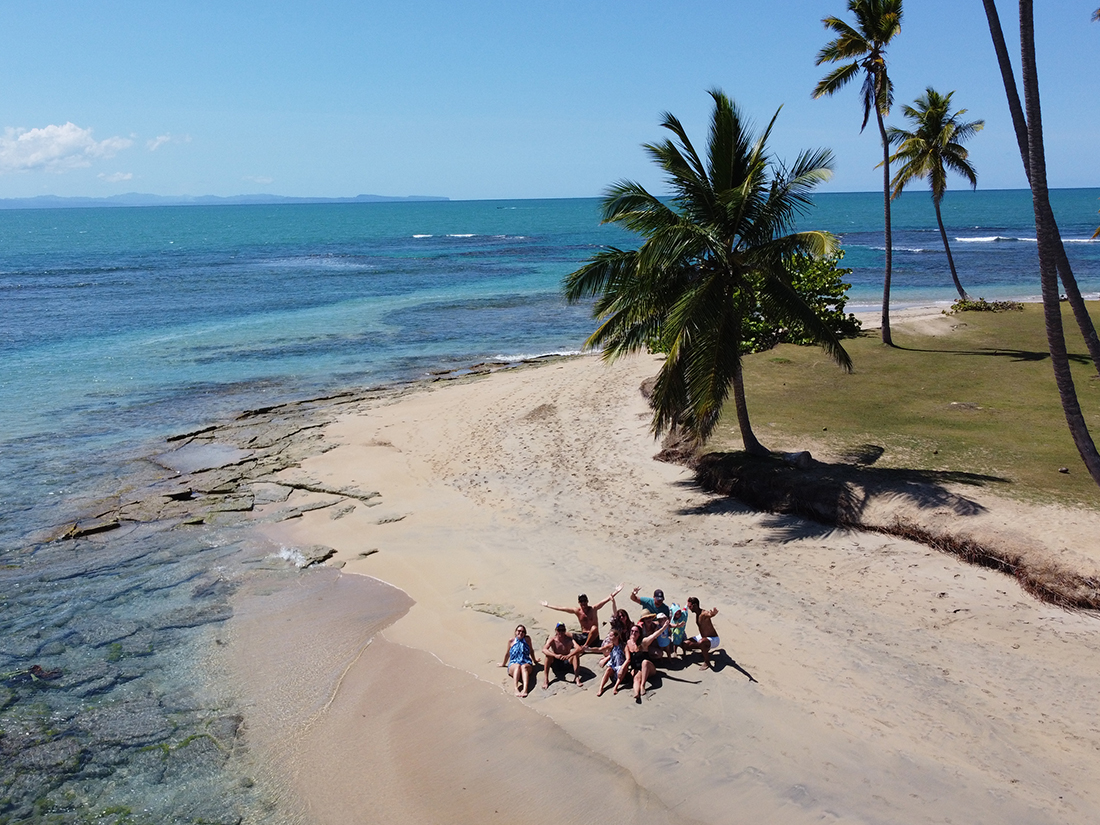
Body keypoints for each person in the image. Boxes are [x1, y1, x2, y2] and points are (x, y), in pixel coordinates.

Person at [540, 584, 623, 650]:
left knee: (594, 628)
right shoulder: (577, 611)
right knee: (564, 633)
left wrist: (617, 591)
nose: (583, 603)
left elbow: (606, 599)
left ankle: (585, 647)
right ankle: (560, 646)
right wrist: (548, 605)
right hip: (582, 636)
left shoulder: (593, 609)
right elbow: (562, 608)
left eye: (584, 601)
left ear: (587, 601)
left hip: (593, 638)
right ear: (579, 602)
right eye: (581, 601)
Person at [623, 617, 669, 703]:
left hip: (649, 668)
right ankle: (636, 693)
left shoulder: (643, 642)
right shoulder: (628, 644)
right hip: (637, 669)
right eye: (632, 631)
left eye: (636, 632)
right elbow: (627, 658)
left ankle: (643, 686)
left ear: (639, 634)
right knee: (636, 678)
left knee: (645, 662)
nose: (633, 633)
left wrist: (664, 628)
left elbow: (654, 635)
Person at [681, 597, 721, 670]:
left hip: (713, 639)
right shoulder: (697, 613)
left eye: (690, 606)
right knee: (685, 644)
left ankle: (707, 662)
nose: (689, 608)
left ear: (695, 605)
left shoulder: (703, 614)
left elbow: (709, 614)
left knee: (701, 642)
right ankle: (704, 648)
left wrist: (713, 613)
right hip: (703, 637)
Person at [500, 624, 539, 697]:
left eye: (523, 632)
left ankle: (525, 689)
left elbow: (531, 650)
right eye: (519, 631)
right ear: (515, 632)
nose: (521, 633)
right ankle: (516, 688)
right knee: (517, 666)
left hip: (526, 662)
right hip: (514, 663)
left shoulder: (527, 639)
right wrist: (503, 664)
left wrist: (535, 660)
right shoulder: (511, 641)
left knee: (523, 667)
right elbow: (507, 653)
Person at [630, 587, 671, 655]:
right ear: (654, 597)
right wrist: (633, 593)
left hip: (656, 626)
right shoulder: (647, 601)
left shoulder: (665, 608)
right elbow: (633, 598)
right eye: (658, 600)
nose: (659, 602)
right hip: (644, 623)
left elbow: (666, 621)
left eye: (661, 600)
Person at [542, 622, 584, 688]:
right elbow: (544, 649)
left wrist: (569, 655)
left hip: (566, 661)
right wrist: (555, 655)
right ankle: (546, 679)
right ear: (556, 630)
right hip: (556, 662)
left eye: (563, 630)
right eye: (559, 630)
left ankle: (576, 677)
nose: (561, 632)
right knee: (548, 656)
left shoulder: (569, 640)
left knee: (575, 654)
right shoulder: (552, 639)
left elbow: (579, 648)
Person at [595, 628, 627, 697]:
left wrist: (622, 668)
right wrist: (588, 649)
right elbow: (599, 649)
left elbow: (628, 659)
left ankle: (616, 687)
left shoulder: (623, 646)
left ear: (617, 636)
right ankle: (601, 688)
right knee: (608, 669)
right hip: (614, 668)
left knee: (624, 668)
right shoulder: (611, 645)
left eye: (611, 636)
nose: (609, 638)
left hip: (621, 670)